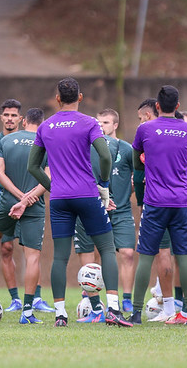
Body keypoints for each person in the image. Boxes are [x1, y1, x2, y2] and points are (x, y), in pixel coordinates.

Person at [26, 77, 132, 327]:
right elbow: (105, 155)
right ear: (80, 97)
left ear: (58, 99)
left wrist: (53, 187)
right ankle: (114, 310)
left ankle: (60, 314)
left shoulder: (46, 126)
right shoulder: (89, 123)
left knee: (60, 258)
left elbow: (33, 166)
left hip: (61, 199)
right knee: (106, 248)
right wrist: (104, 185)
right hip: (87, 195)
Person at [129, 85, 187, 326]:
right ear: (178, 106)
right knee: (183, 256)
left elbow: (137, 162)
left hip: (154, 202)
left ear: (157, 106)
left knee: (146, 257)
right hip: (181, 202)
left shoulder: (145, 129)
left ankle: (136, 313)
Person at [0, 108, 48, 323]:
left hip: (8, 202)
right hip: (34, 205)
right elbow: (48, 179)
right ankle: (27, 312)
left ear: (23, 122)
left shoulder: (6, 140)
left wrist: (17, 197)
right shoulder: (46, 143)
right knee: (32, 257)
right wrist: (26, 200)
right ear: (42, 125)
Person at [96, 109, 136, 313]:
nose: (101, 126)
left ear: (115, 125)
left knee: (128, 253)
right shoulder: (91, 148)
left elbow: (137, 174)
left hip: (121, 211)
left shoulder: (127, 149)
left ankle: (127, 298)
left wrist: (131, 188)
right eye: (98, 122)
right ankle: (94, 300)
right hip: (96, 210)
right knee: (95, 255)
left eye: (105, 122)